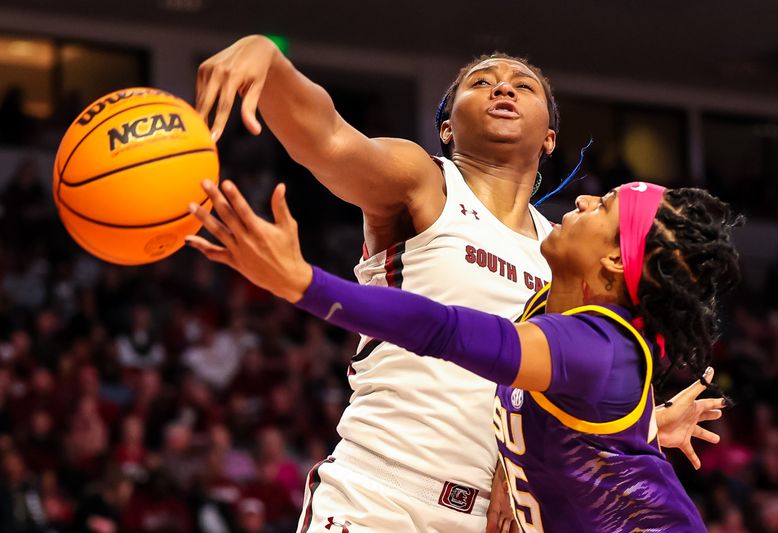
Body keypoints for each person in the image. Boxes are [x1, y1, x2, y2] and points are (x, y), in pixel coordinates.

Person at [195, 36, 726, 532]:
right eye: (480, 81)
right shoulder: (425, 181)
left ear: (549, 138)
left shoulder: (564, 251)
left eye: (524, 84)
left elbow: (565, 381)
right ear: (447, 127)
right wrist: (270, 62)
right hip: (380, 496)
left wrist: (643, 427)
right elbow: (329, 138)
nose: (502, 87)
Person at [186, 177, 739, 531]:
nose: (585, 199)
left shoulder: (593, 349)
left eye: (606, 207)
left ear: (618, 261)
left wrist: (301, 281)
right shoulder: (555, 309)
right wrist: (641, 426)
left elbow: (441, 328)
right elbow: (588, 416)